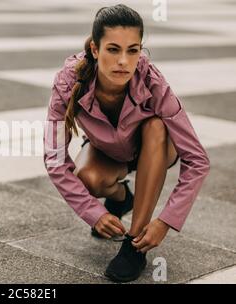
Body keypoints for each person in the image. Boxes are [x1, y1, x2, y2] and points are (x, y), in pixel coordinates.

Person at [43, 4, 210, 282]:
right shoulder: (68, 81)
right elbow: (55, 158)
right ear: (95, 50)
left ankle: (135, 244)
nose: (123, 61)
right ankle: (122, 198)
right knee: (89, 178)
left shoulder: (152, 82)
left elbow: (197, 160)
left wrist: (166, 221)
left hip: (155, 149)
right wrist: (92, 212)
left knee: (156, 126)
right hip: (107, 150)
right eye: (113, 49)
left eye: (133, 50)